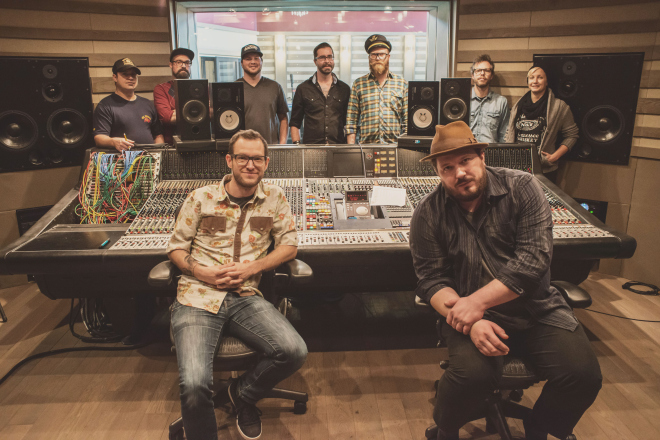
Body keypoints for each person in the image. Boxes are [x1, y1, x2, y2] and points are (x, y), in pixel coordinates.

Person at [410, 121, 602, 440]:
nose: (459, 173)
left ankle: (539, 429)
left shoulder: (522, 187)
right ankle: (446, 428)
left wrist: (476, 301)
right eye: (447, 168)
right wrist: (472, 319)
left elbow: (533, 260)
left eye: (465, 161)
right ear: (438, 173)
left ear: (482, 157)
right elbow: (431, 279)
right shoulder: (428, 212)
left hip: (537, 309)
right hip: (471, 317)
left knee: (582, 375)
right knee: (470, 376)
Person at [167, 129, 307, 440]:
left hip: (246, 296)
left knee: (294, 351)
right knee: (195, 385)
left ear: (266, 163)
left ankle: (240, 394)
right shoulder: (200, 198)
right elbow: (176, 248)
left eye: (257, 159)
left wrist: (252, 268)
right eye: (243, 157)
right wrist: (202, 272)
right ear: (229, 160)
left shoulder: (275, 199)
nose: (250, 165)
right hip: (198, 297)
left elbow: (289, 246)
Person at [505, 66, 578, 183]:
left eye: (540, 77)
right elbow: (509, 132)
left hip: (544, 170)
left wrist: (555, 156)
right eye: (531, 78)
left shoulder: (559, 107)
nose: (535, 81)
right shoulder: (518, 106)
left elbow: (572, 135)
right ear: (528, 81)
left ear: (546, 81)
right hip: (517, 168)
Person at [345, 34, 408, 144]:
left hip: (394, 147)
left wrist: (406, 148)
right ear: (369, 58)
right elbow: (351, 122)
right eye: (374, 54)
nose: (378, 58)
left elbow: (407, 122)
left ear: (388, 57)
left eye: (382, 54)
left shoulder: (401, 84)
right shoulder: (358, 84)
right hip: (366, 148)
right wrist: (351, 149)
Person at [93, 57, 164, 150]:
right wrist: (113, 142)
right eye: (125, 74)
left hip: (150, 157)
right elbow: (99, 138)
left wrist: (159, 152)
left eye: (133, 74)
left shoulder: (147, 104)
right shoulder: (105, 105)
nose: (130, 78)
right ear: (115, 77)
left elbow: (158, 135)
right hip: (123, 157)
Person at [290, 42, 350, 145]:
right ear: (315, 61)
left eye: (330, 57)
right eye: (322, 57)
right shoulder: (303, 89)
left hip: (338, 147)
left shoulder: (344, 89)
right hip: (311, 149)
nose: (327, 61)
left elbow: (349, 123)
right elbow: (295, 122)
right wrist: (297, 145)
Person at [237, 44, 289, 144]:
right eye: (248, 59)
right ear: (242, 63)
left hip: (270, 148)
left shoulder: (275, 87)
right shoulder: (234, 89)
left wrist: (282, 144)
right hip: (243, 148)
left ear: (261, 62)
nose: (253, 62)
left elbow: (283, 118)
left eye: (256, 58)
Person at [153, 48, 195, 145]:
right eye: (178, 62)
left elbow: (211, 114)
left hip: (200, 141)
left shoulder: (200, 87)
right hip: (173, 144)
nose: (183, 66)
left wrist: (176, 112)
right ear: (171, 65)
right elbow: (167, 118)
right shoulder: (161, 89)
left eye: (187, 62)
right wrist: (196, 112)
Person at [469, 54, 510, 143]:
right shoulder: (463, 100)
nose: (482, 73)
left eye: (486, 70)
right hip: (466, 150)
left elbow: (504, 135)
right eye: (478, 70)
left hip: (490, 150)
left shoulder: (501, 102)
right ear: (472, 75)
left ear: (491, 75)